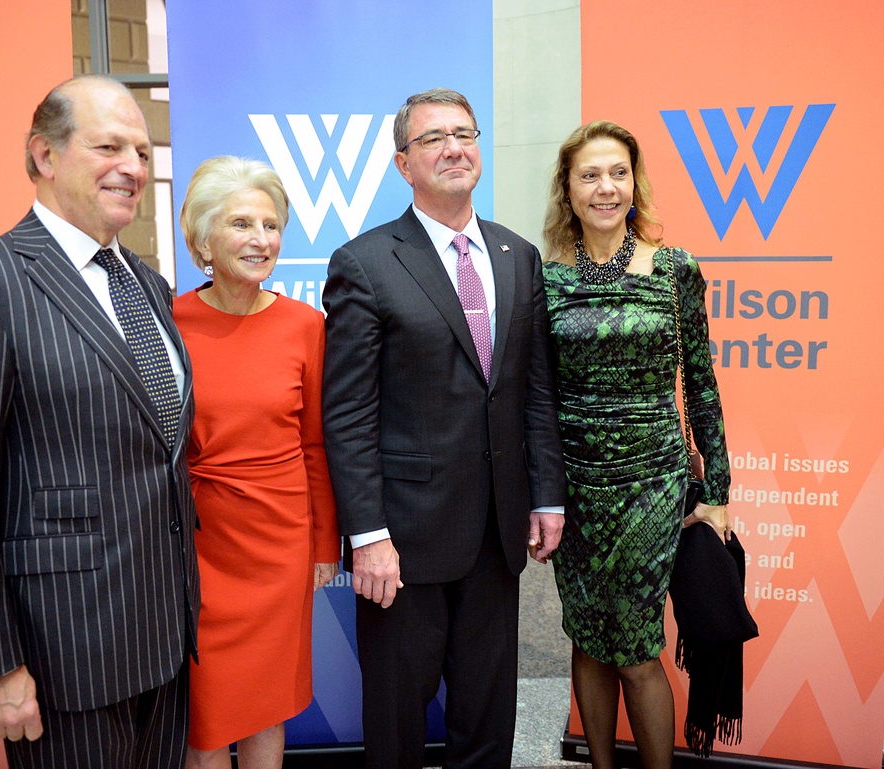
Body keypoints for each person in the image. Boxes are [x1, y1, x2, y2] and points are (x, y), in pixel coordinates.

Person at [0, 75, 200, 769]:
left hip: (164, 644)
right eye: (108, 146)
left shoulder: (149, 285)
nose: (132, 165)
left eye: (142, 150)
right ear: (44, 154)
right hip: (62, 659)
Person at [321, 88, 567, 769]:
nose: (453, 147)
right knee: (397, 724)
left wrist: (547, 493)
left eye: (464, 133)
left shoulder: (518, 255)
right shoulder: (365, 263)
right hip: (403, 543)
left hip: (497, 532)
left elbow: (534, 389)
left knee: (487, 719)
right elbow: (346, 413)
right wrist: (367, 537)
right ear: (404, 164)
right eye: (432, 138)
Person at [540, 120, 732, 769]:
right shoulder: (545, 282)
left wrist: (719, 494)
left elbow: (701, 387)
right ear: (567, 189)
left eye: (618, 172)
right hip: (573, 489)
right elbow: (534, 398)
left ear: (634, 182)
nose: (606, 187)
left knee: (637, 648)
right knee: (588, 636)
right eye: (590, 174)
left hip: (654, 485)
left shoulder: (675, 268)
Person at [173, 156, 340, 769]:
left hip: (281, 542)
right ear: (204, 239)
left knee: (268, 703)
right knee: (209, 708)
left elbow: (317, 445)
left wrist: (326, 544)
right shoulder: (167, 321)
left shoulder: (306, 326)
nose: (261, 240)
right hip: (198, 543)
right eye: (242, 224)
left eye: (271, 226)